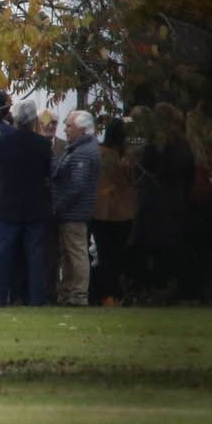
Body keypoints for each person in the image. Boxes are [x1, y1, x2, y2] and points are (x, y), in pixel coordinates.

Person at [0, 100, 52, 306]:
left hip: (7, 204)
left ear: (15, 119)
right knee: (35, 257)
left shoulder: (2, 142)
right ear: (34, 119)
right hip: (35, 205)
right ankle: (37, 299)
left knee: (2, 255)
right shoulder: (43, 144)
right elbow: (47, 172)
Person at [131, 102, 194, 296]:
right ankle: (167, 288)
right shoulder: (184, 145)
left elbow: (143, 173)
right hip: (175, 203)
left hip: (153, 203)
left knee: (147, 249)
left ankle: (148, 289)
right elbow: (188, 175)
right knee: (169, 251)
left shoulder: (154, 146)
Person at [51, 110, 101, 306]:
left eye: (69, 126)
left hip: (74, 212)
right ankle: (68, 291)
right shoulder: (79, 148)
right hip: (73, 210)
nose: (65, 129)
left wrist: (59, 205)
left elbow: (77, 185)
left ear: (82, 129)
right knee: (69, 254)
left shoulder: (83, 153)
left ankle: (78, 294)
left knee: (77, 253)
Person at [90, 118, 135, 304]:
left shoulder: (101, 154)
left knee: (106, 254)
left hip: (103, 211)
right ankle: (113, 293)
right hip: (119, 212)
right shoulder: (118, 157)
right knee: (114, 255)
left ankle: (108, 293)